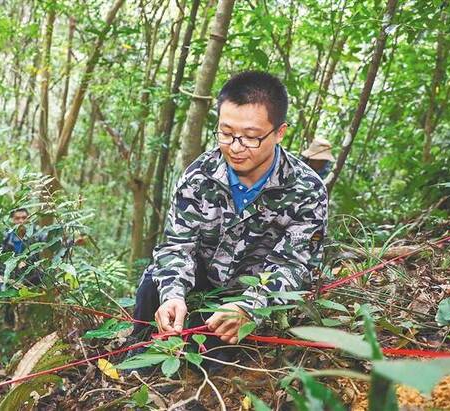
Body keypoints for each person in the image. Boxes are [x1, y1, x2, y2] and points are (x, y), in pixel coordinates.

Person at [132, 71, 328, 353]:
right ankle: (135, 350)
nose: (235, 148)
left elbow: (295, 266)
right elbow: (177, 246)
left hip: (250, 295)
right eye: (226, 134)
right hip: (200, 280)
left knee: (214, 358)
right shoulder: (199, 177)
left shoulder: (307, 190)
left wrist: (251, 306)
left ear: (280, 132)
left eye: (250, 137)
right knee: (153, 284)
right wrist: (173, 295)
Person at [0, 208, 47, 289]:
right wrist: (0, 279)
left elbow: (50, 241)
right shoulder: (5, 238)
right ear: (13, 220)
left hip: (33, 280)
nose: (21, 221)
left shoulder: (36, 235)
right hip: (11, 280)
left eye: (24, 218)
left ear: (28, 219)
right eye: (17, 218)